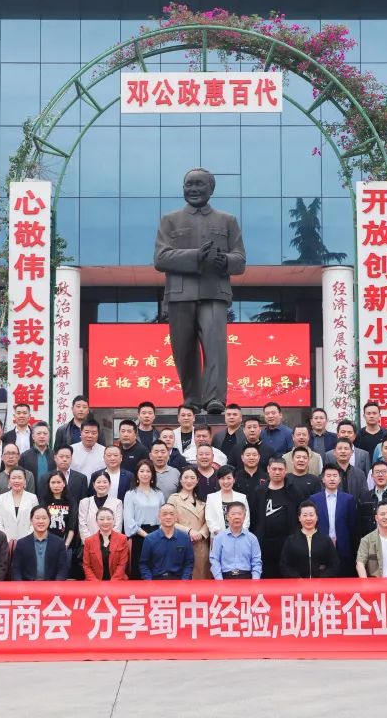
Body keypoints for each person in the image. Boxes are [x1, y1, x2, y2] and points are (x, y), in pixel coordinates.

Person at [154, 166, 247, 414]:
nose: (194, 189)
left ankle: (215, 398)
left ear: (211, 189)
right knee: (183, 349)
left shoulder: (227, 220)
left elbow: (240, 261)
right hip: (179, 294)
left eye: (199, 184)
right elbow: (160, 258)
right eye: (189, 184)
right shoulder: (170, 220)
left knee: (215, 346)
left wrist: (225, 261)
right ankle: (192, 399)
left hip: (214, 292)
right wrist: (196, 256)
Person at [250, 458, 299, 578]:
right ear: (268, 469)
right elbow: (254, 517)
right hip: (265, 543)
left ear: (286, 470)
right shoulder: (259, 491)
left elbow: (299, 515)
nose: (277, 472)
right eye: (274, 469)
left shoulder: (293, 490)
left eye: (280, 469)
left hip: (288, 542)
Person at [309, 465, 357, 575]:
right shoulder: (314, 499)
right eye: (328, 476)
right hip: (320, 546)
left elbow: (352, 525)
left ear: (339, 479)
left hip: (343, 546)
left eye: (335, 476)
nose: (332, 479)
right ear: (323, 479)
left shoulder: (348, 499)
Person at [123, 460, 165, 579]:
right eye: (142, 471)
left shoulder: (159, 493)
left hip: (158, 534)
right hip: (139, 536)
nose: (145, 474)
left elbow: (163, 515)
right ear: (137, 474)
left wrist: (158, 534)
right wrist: (147, 536)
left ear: (152, 474)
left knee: (157, 569)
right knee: (139, 570)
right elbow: (129, 520)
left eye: (148, 471)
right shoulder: (130, 494)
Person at [167, 467, 210, 580]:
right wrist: (189, 531)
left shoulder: (202, 500)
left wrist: (201, 533)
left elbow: (209, 520)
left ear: (197, 480)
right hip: (181, 543)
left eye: (192, 478)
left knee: (202, 578)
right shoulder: (174, 499)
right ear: (181, 480)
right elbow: (170, 521)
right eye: (186, 478)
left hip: (201, 544)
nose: (189, 481)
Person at [279, 502, 340, 578]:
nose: (308, 519)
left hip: (321, 584)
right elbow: (284, 566)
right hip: (297, 583)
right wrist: (298, 579)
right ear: (299, 518)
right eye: (305, 515)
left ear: (317, 517)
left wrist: (322, 579)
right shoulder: (291, 541)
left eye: (311, 515)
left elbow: (334, 565)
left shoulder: (326, 540)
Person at [12, 505, 70, 581]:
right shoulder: (22, 543)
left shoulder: (59, 543)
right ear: (31, 520)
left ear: (49, 520)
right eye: (37, 518)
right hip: (28, 586)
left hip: (52, 586)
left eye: (44, 518)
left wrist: (56, 585)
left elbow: (63, 569)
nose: (41, 521)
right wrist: (20, 586)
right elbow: (16, 570)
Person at [139, 504, 195, 580]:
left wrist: (184, 582)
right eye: (164, 514)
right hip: (156, 580)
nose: (168, 517)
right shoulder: (150, 539)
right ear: (159, 517)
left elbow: (189, 563)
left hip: (179, 580)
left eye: (172, 514)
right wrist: (149, 582)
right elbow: (144, 564)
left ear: (176, 517)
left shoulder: (185, 538)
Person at [209, 503, 262, 579]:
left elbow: (256, 562)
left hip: (246, 577)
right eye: (233, 514)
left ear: (244, 516)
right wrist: (219, 580)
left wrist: (255, 581)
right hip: (225, 577)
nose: (237, 517)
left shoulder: (252, 538)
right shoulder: (219, 538)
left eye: (239, 514)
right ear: (227, 517)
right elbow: (215, 561)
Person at [0, 466, 40, 551]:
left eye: (20, 478)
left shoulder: (32, 498)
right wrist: (7, 541)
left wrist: (25, 541)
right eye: (14, 478)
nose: (16, 481)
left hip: (28, 543)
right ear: (9, 481)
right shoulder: (1, 498)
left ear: (25, 481)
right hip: (5, 544)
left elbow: (35, 521)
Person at [82, 507, 130, 581]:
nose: (105, 522)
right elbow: (86, 566)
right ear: (96, 521)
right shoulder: (89, 541)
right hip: (94, 582)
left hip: (118, 582)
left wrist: (112, 583)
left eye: (109, 519)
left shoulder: (122, 539)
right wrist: (96, 583)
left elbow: (122, 564)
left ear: (113, 520)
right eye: (101, 519)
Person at [78, 472, 123, 542]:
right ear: (93, 485)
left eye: (105, 482)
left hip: (111, 544)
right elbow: (82, 526)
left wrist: (107, 543)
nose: (102, 485)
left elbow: (117, 527)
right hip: (89, 544)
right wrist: (91, 543)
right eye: (98, 482)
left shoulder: (117, 503)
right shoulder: (85, 502)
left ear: (110, 484)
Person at [205, 470, 250, 538]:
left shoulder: (242, 497)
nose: (226, 481)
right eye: (222, 478)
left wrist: (238, 534)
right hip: (218, 537)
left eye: (229, 478)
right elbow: (210, 519)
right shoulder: (211, 497)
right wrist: (221, 534)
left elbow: (246, 519)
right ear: (218, 480)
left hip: (239, 537)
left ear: (234, 480)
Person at [20, 421, 53, 489]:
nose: (42, 436)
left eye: (45, 433)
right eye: (38, 433)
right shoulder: (24, 456)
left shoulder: (55, 456)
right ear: (33, 436)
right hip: (30, 492)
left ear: (49, 436)